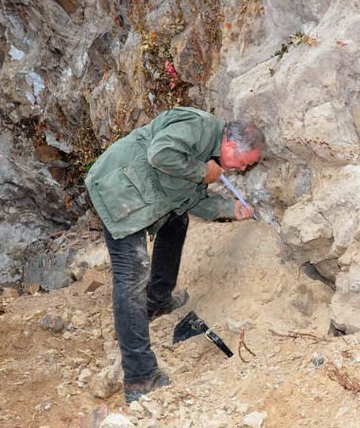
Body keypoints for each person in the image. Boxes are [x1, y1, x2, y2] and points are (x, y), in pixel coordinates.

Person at [84, 106, 265, 403]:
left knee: (177, 220)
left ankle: (158, 301)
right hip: (119, 190)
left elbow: (188, 200)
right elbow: (160, 154)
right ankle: (140, 377)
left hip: (143, 193)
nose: (241, 170)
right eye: (244, 164)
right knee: (131, 276)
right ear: (231, 146)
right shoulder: (199, 127)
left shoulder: (212, 153)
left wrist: (228, 209)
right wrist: (203, 172)